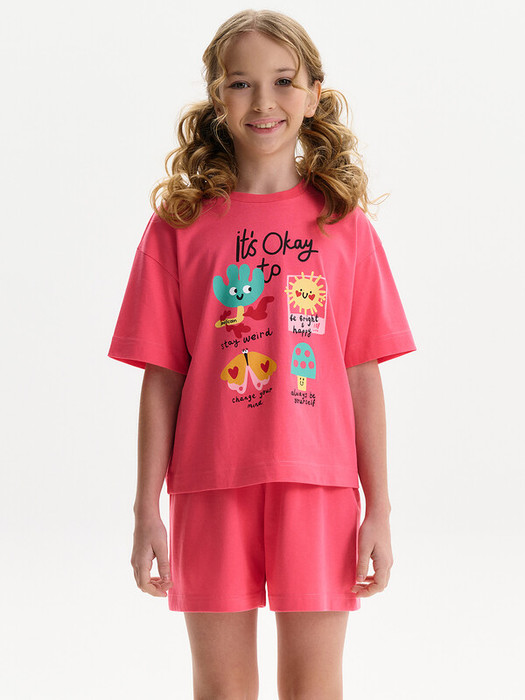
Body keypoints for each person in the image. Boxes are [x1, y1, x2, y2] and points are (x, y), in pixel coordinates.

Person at [108, 8, 416, 699]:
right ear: (218, 97)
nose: (264, 102)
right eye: (241, 83)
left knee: (313, 687)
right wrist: (145, 508)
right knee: (221, 689)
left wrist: (380, 508)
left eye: (283, 81)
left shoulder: (345, 226)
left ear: (313, 94)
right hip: (209, 482)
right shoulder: (178, 227)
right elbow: (163, 376)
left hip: (320, 483)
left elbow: (361, 374)